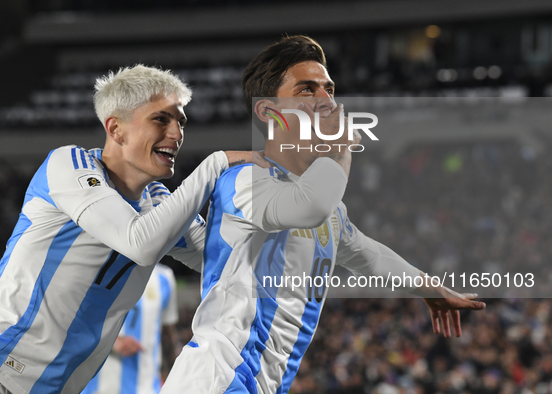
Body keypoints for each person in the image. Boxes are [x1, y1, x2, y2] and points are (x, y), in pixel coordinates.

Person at [160, 36, 486, 394]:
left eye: (329, 89)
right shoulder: (244, 180)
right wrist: (340, 148)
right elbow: (309, 206)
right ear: (268, 112)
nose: (326, 101)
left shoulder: (330, 210)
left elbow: (368, 256)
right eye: (306, 90)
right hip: (216, 378)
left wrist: (430, 288)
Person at [0, 65, 264, 394]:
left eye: (181, 122)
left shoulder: (159, 202)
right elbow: (139, 243)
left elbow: (227, 263)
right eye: (161, 119)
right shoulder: (69, 165)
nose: (177, 134)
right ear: (116, 129)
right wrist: (216, 165)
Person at [82, 263, 180, 394]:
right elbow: (70, 325)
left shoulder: (164, 277)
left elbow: (167, 338)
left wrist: (175, 382)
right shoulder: (94, 268)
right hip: (96, 389)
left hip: (146, 389)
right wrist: (111, 341)